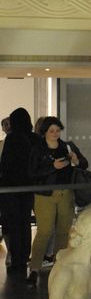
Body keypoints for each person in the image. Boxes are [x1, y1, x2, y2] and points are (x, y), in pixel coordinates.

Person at [27, 117, 89, 287]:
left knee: (63, 231)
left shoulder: (67, 146)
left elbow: (84, 163)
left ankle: (59, 266)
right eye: (51, 131)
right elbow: (32, 172)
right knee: (45, 232)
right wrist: (52, 167)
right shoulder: (38, 149)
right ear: (44, 132)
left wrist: (76, 160)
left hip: (66, 193)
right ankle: (34, 268)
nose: (55, 134)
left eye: (57, 130)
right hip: (44, 195)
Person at [0, 107, 39, 275]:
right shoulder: (35, 138)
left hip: (11, 188)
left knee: (14, 224)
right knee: (25, 223)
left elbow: (6, 164)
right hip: (29, 187)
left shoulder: (12, 138)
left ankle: (17, 260)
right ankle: (25, 257)